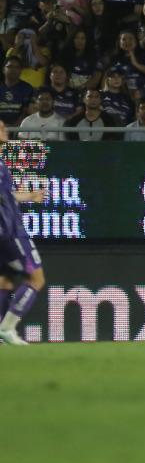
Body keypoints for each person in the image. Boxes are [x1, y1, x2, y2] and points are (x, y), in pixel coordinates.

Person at [0, 121, 48, 345]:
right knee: (36, 278)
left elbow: (7, 196)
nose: (5, 130)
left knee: (5, 281)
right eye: (1, 127)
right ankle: (7, 328)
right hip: (11, 233)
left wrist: (29, 197)